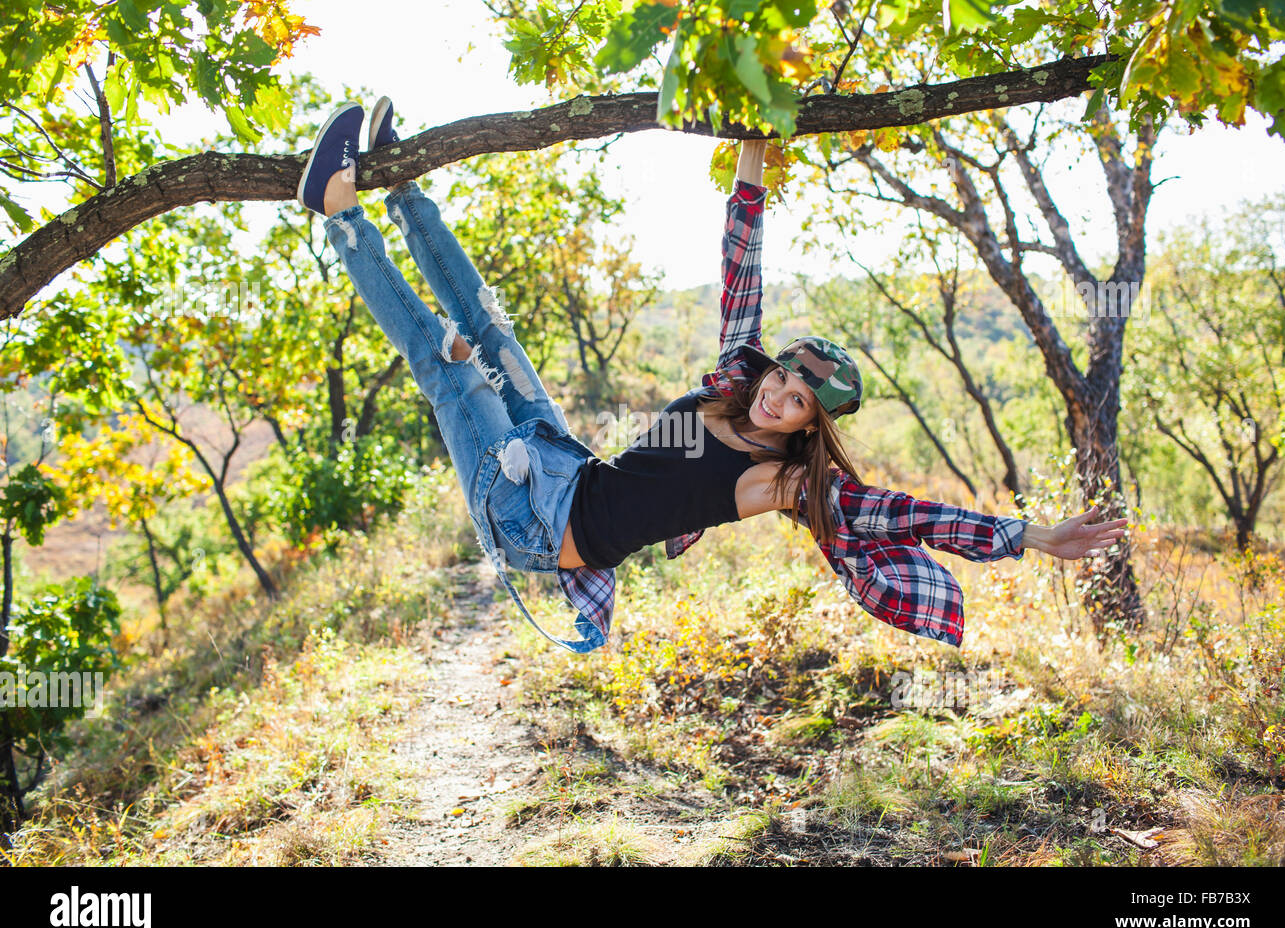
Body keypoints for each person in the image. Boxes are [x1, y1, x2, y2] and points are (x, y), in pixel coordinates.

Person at [296, 100, 1127, 654]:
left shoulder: (775, 480)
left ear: (809, 425)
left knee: (456, 375)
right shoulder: (736, 379)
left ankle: (337, 211)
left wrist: (1029, 536)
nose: (777, 393)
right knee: (488, 327)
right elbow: (742, 268)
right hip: (563, 466)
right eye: (784, 377)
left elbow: (901, 513)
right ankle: (400, 185)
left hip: (532, 525)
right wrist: (755, 150)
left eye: (797, 399)